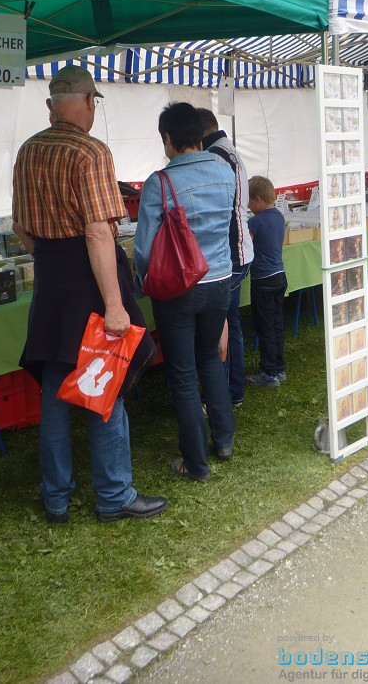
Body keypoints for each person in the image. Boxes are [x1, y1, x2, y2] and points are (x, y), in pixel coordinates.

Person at [12, 64, 167, 524]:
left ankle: (56, 498)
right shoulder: (91, 151)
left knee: (57, 391)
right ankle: (114, 495)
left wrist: (49, 257)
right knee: (105, 384)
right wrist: (115, 306)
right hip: (89, 278)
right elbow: (99, 234)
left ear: (50, 106)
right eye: (93, 102)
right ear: (86, 103)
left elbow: (21, 228)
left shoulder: (28, 150)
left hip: (50, 275)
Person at [135, 102, 236, 482]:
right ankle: (224, 441)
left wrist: (143, 280)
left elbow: (144, 248)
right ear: (199, 133)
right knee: (211, 359)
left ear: (168, 138)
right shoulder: (225, 170)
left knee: (182, 373)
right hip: (220, 281)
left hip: (179, 288)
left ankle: (196, 463)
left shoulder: (159, 182)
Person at [198, 107, 254, 408]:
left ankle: (227, 394)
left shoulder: (216, 156)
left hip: (229, 256)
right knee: (229, 325)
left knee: (221, 329)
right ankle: (232, 391)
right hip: (237, 253)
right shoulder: (226, 151)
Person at [246, 175, 287, 388]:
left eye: (250, 202)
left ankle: (268, 372)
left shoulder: (255, 221)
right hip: (280, 275)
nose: (249, 207)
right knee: (276, 324)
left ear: (258, 199)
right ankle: (279, 368)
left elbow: (245, 246)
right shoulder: (279, 216)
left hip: (262, 279)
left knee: (265, 327)